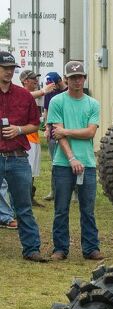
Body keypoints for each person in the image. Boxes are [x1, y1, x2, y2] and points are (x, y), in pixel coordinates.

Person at [46, 61, 104, 261]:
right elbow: (57, 134)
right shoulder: (57, 102)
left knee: (87, 209)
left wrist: (67, 131)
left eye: (79, 77)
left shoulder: (92, 104)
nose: (76, 81)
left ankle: (91, 248)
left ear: (84, 78)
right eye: (72, 78)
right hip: (63, 163)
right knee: (61, 208)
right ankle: (60, 248)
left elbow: (90, 132)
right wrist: (71, 157)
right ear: (66, 80)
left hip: (87, 163)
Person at [0, 51, 45, 261]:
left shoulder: (24, 95)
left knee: (23, 206)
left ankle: (31, 249)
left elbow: (35, 124)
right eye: (5, 68)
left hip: (18, 157)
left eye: (11, 68)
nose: (9, 71)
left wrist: (19, 130)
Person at [19, 70, 51, 206]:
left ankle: (30, 197)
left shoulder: (30, 96)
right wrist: (44, 91)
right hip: (26, 139)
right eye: (32, 79)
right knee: (26, 170)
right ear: (25, 81)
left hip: (34, 138)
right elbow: (27, 96)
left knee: (32, 171)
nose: (35, 81)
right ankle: (25, 198)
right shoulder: (20, 93)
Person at [42, 72, 66, 201]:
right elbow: (46, 111)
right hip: (53, 133)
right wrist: (47, 128)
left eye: (53, 84)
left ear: (59, 81)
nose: (52, 87)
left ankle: (75, 192)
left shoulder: (69, 91)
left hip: (67, 131)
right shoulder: (49, 93)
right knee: (55, 163)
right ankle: (54, 191)